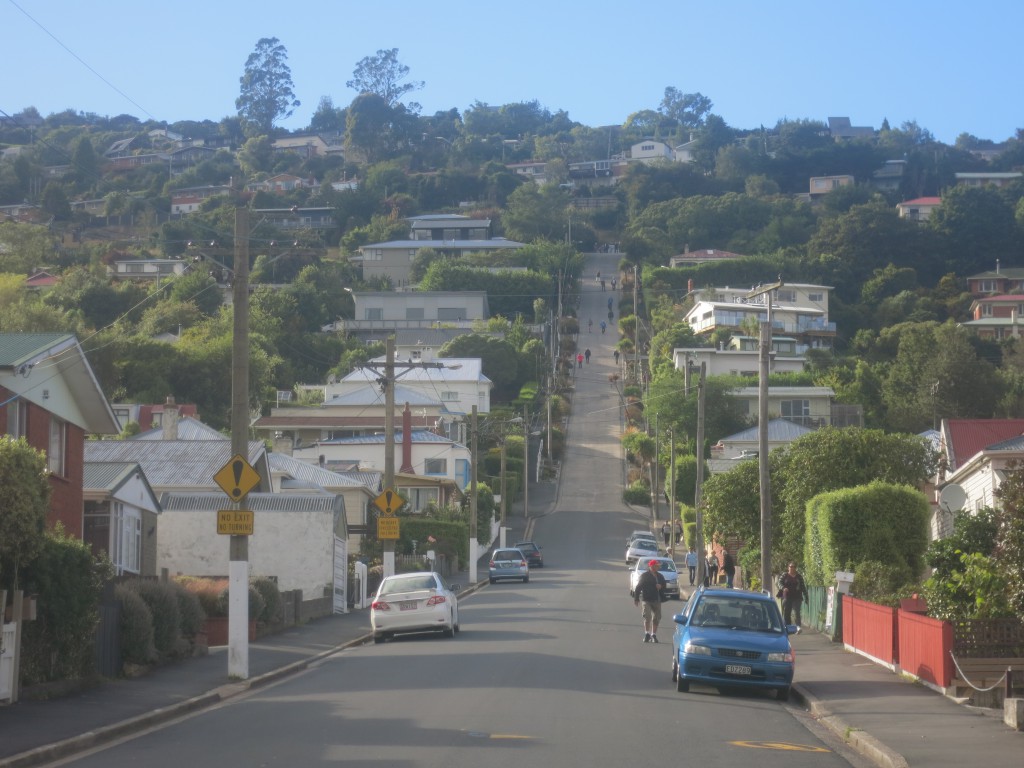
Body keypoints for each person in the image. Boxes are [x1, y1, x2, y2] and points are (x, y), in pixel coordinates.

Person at [633, 559, 667, 643]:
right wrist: (636, 598)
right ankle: (647, 634)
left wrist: (661, 586)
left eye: (657, 566)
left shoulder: (660, 576)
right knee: (647, 616)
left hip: (657, 599)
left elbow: (664, 586)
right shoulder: (645, 576)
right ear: (651, 566)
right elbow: (638, 588)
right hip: (647, 599)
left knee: (656, 618)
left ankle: (653, 635)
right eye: (655, 566)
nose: (656, 567)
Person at [777, 562, 809, 626]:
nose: (792, 568)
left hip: (797, 597)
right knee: (786, 613)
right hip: (787, 596)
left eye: (793, 567)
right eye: (790, 567)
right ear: (788, 568)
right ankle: (788, 626)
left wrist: (806, 596)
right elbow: (779, 583)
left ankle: (798, 627)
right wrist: (783, 588)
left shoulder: (799, 577)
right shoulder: (784, 575)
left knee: (797, 612)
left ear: (795, 568)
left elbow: (803, 586)